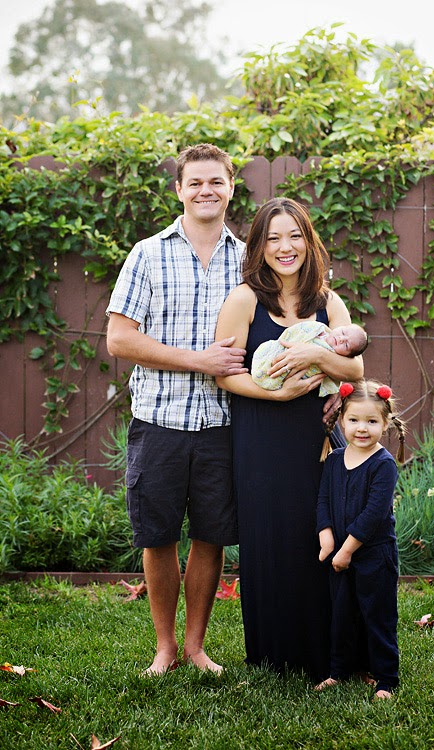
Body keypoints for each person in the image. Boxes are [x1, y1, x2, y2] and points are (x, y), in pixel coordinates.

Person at [106, 143, 247, 675]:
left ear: (231, 188)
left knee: (211, 535)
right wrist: (198, 360)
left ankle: (195, 646)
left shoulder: (251, 258)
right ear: (179, 190)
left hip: (224, 423)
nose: (206, 191)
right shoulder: (147, 254)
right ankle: (165, 646)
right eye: (195, 182)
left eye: (216, 181)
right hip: (159, 421)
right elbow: (120, 339)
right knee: (158, 536)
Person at [215, 197, 364, 682]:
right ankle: (274, 653)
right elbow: (224, 375)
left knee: (318, 531)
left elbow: (355, 369)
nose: (285, 247)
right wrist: (274, 394)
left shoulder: (327, 301)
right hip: (261, 437)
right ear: (259, 246)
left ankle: (329, 650)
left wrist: (315, 359)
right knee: (271, 536)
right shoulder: (243, 300)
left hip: (315, 438)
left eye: (295, 236)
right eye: (274, 238)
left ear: (308, 241)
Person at [315, 380, 406, 698]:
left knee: (377, 615)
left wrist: (347, 550)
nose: (362, 428)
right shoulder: (335, 460)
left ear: (385, 423)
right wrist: (326, 538)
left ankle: (386, 678)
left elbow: (373, 515)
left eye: (371, 421)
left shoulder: (383, 465)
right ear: (342, 420)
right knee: (342, 615)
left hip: (373, 555)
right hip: (339, 552)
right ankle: (339, 670)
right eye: (354, 420)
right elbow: (323, 501)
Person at [251, 321, 368, 395]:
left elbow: (356, 372)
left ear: (347, 356)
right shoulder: (318, 330)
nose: (341, 339)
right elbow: (296, 333)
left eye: (346, 345)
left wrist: (317, 355)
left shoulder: (333, 302)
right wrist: (279, 395)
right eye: (342, 332)